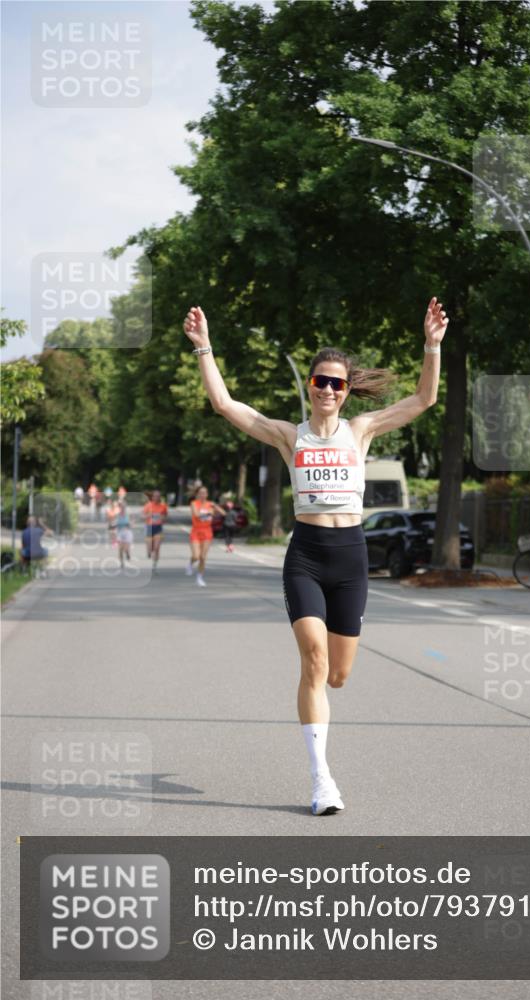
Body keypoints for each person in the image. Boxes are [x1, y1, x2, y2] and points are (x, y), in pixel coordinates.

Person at [184, 298, 448, 816]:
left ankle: (324, 724)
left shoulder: (361, 430)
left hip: (350, 559)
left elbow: (423, 399)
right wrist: (204, 348)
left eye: (338, 383)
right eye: (320, 381)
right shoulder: (290, 435)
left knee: (338, 675)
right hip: (306, 555)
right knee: (314, 659)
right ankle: (321, 779)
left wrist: (432, 346)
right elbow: (226, 404)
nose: (328, 389)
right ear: (309, 385)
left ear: (348, 392)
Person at [186, 486, 225, 586]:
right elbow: (196, 515)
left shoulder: (210, 504)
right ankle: (190, 563)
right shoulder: (194, 503)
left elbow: (224, 513)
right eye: (201, 493)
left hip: (207, 532)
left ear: (207, 494)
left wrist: (215, 506)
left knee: (203, 557)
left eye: (205, 493)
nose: (203, 495)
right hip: (196, 531)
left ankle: (199, 578)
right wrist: (209, 513)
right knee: (196, 556)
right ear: (197, 494)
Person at [142, 490, 168, 570]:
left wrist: (162, 518)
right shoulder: (148, 506)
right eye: (155, 496)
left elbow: (166, 517)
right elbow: (143, 517)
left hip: (158, 527)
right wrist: (149, 515)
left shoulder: (163, 506)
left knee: (156, 548)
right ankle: (149, 552)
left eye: (158, 496)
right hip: (149, 527)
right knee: (150, 548)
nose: (157, 498)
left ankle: (154, 564)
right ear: (152, 497)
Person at [116, 500, 133, 567]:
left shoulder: (128, 515)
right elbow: (112, 524)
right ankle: (121, 563)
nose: (122, 508)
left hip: (127, 532)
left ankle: (128, 553)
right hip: (120, 533)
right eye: (121, 506)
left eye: (123, 506)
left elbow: (131, 524)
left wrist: (129, 524)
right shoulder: (117, 515)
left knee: (126, 548)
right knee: (120, 549)